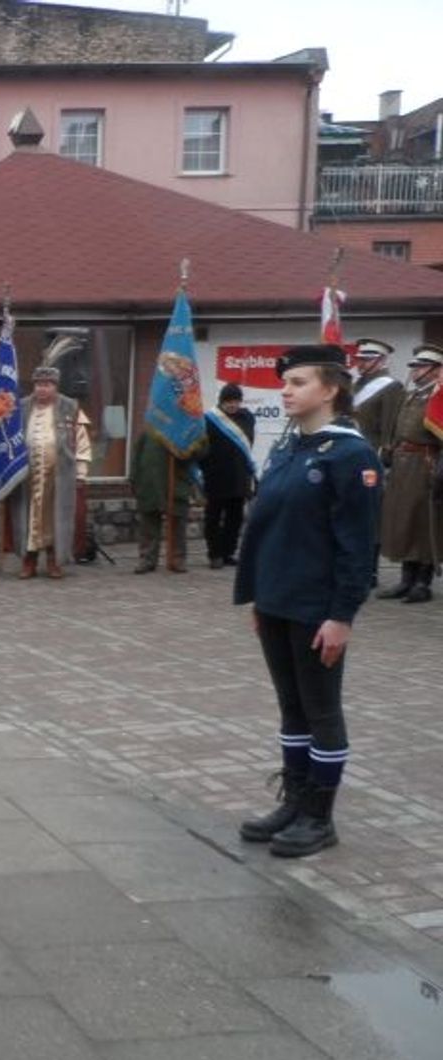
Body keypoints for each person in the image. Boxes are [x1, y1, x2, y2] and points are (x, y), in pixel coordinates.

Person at [235, 345, 382, 858]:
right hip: (278, 599)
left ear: (331, 389)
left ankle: (319, 817)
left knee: (321, 710)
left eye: (298, 382)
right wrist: (259, 597)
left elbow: (358, 546)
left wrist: (342, 616)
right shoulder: (291, 446)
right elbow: (268, 526)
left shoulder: (350, 455)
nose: (285, 390)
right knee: (291, 707)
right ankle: (295, 803)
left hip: (317, 607)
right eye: (285, 382)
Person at [375, 344, 443, 604]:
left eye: (421, 366)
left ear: (436, 370)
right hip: (403, 464)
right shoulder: (412, 395)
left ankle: (422, 582)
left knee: (423, 521)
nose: (415, 370)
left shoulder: (438, 396)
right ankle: (406, 579)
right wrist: (389, 450)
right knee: (404, 521)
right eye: (414, 366)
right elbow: (398, 427)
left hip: (425, 463)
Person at [10, 366, 91, 579]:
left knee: (56, 517)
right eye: (38, 384)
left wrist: (81, 473)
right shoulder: (21, 407)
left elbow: (81, 441)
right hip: (27, 475)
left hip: (59, 476)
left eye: (46, 385)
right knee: (29, 516)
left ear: (55, 386)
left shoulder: (70, 407)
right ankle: (29, 560)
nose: (42, 389)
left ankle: (54, 560)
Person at [201, 384, 257, 569]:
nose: (233, 405)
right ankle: (215, 554)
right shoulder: (210, 420)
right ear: (221, 402)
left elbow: (247, 444)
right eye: (229, 401)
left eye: (236, 401)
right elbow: (202, 448)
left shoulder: (247, 418)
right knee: (213, 517)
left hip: (239, 477)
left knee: (235, 518)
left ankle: (228, 552)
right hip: (216, 477)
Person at [131, 431, 203, 574]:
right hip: (149, 483)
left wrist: (186, 448)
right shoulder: (148, 430)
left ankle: (177, 559)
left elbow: (199, 454)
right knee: (149, 524)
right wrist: (133, 478)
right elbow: (136, 455)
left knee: (178, 524)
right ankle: (147, 559)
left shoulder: (183, 429)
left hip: (176, 483)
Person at [351, 338, 402, 454]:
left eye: (367, 360)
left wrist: (385, 450)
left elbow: (389, 424)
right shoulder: (356, 384)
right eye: (359, 359)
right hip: (352, 445)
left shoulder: (391, 386)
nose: (360, 364)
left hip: (372, 448)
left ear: (382, 360)